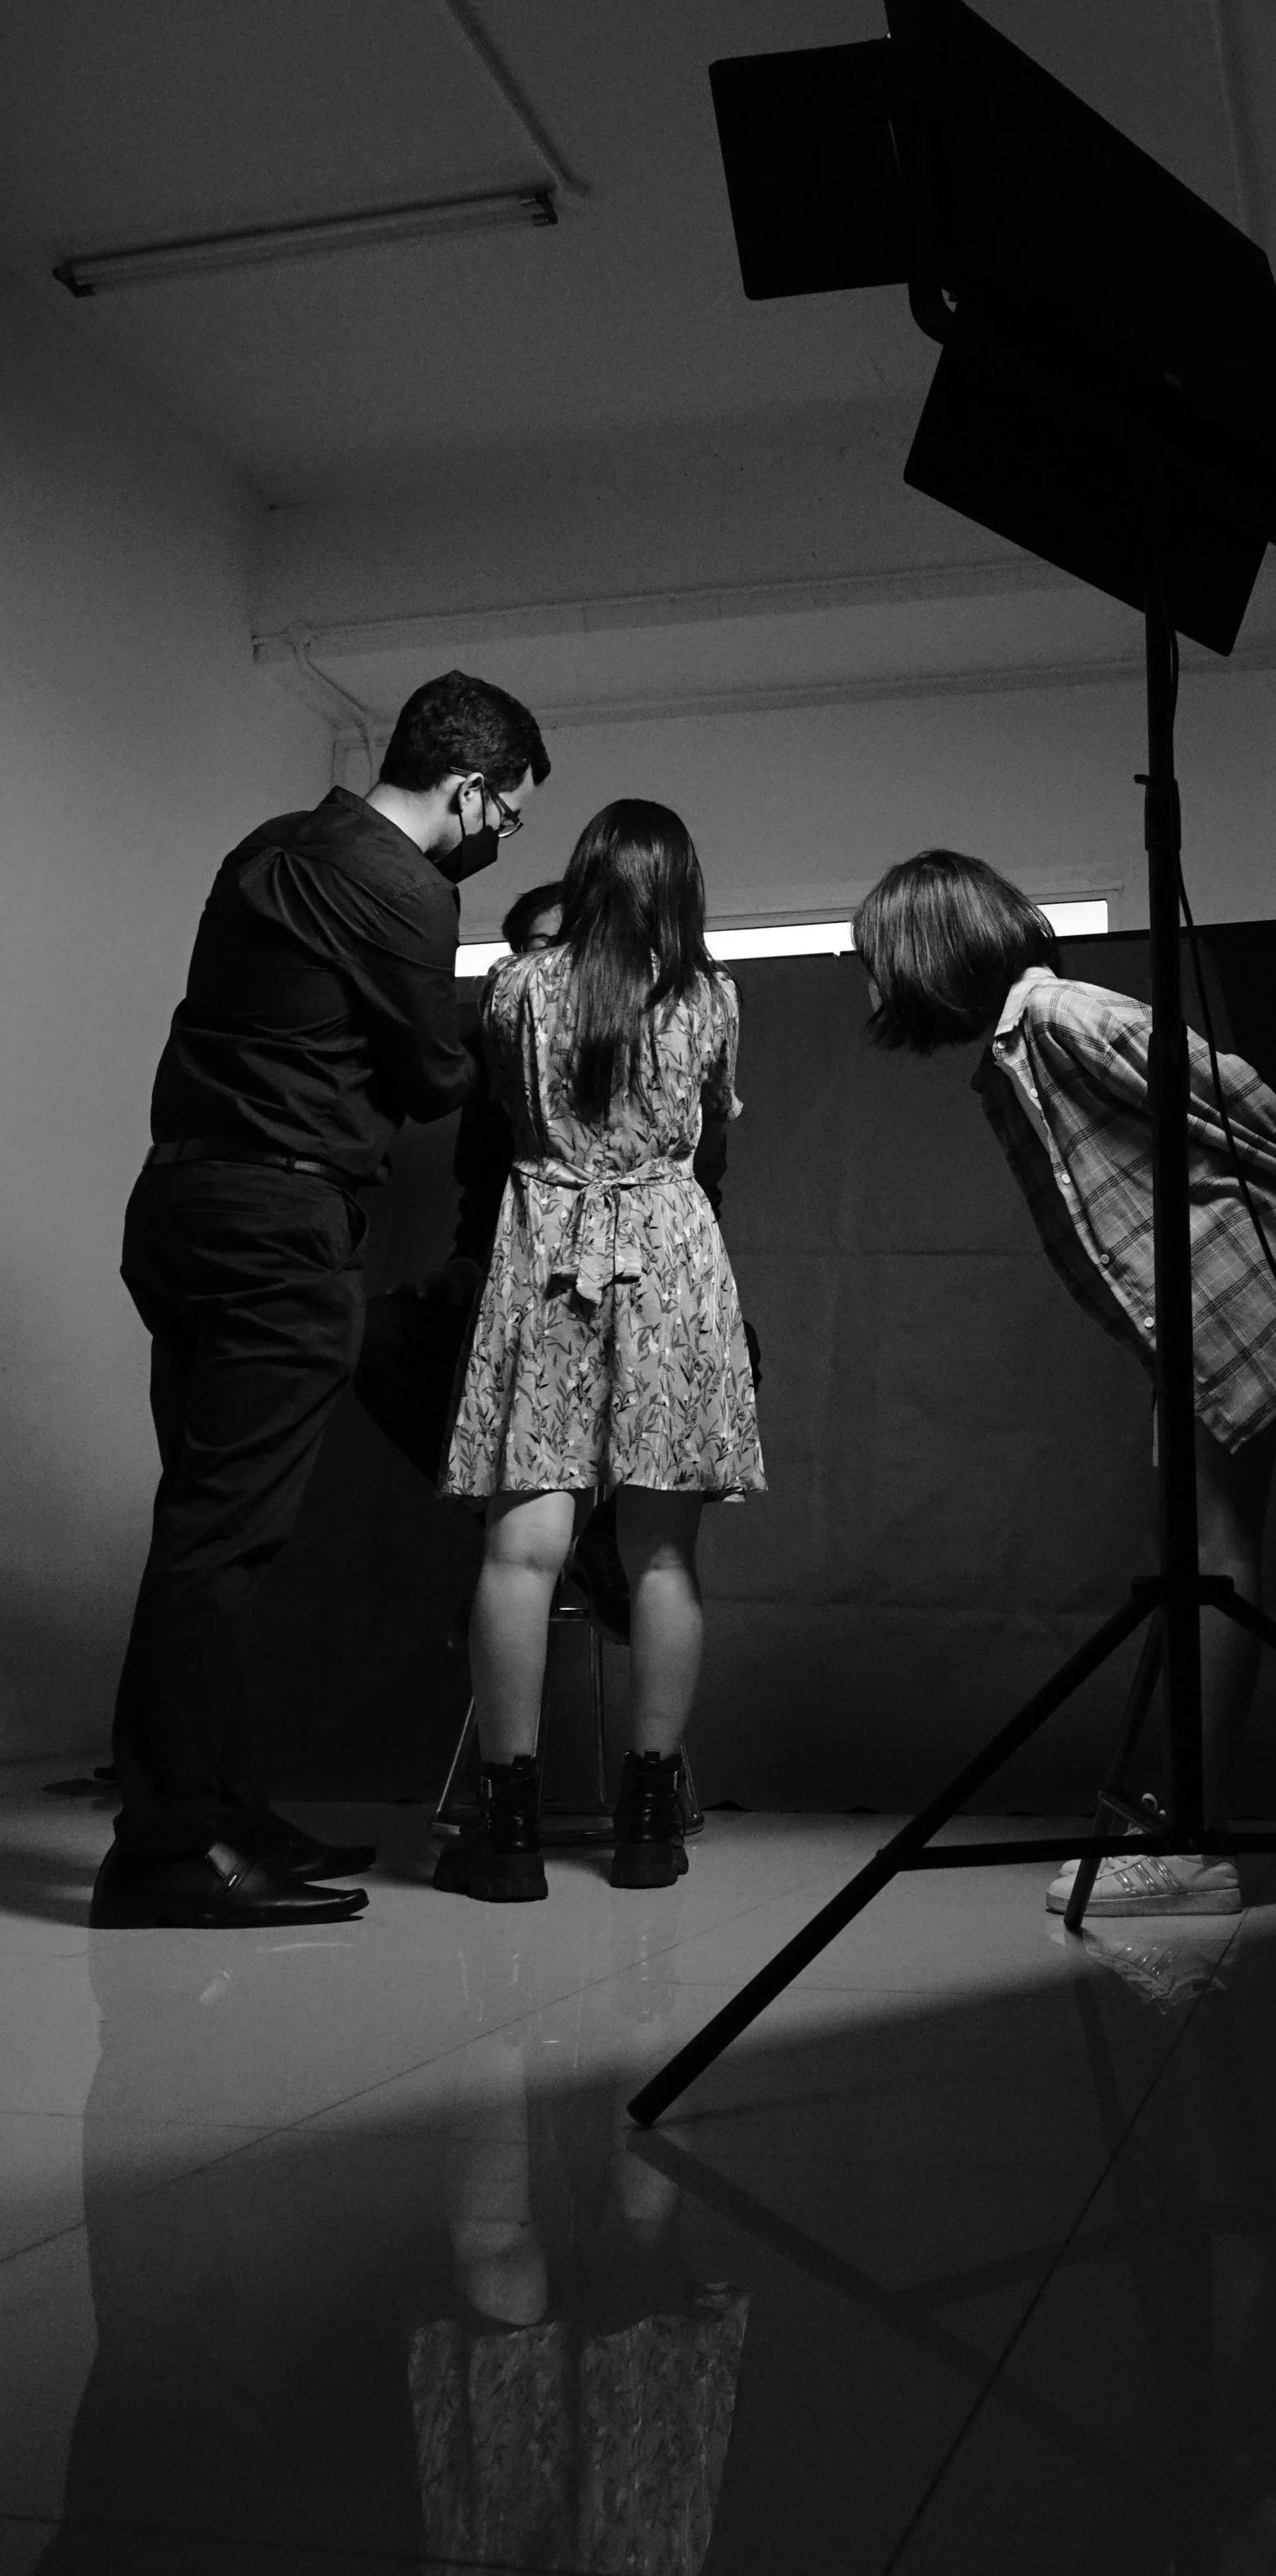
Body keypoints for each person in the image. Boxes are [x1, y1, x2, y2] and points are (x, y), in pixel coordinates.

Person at [92, 670, 551, 1929]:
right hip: (281, 1229)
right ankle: (164, 1849)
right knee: (217, 1543)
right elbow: (428, 1071)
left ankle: (224, 1810)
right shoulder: (412, 885)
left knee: (203, 1527)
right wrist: (513, 1021)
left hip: (179, 1208)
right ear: (468, 787)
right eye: (507, 812)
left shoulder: (272, 849)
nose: (502, 836)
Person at [852, 851, 1276, 1917]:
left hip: (1226, 1289)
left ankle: (1193, 1839)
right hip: (1190, 1313)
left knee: (1213, 1561)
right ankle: (1180, 1821)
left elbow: (1225, 1089)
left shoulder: (1060, 1016)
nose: (871, 990)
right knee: (1196, 1556)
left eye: (877, 964)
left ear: (928, 948)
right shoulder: (1020, 1042)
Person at [435, 800, 764, 1902]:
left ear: (580, 879)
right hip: (671, 1260)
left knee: (519, 1553)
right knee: (663, 1558)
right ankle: (647, 1823)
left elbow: (498, 1107)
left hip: (546, 1252)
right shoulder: (713, 996)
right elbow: (706, 1128)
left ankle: (511, 1828)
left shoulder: (516, 987)